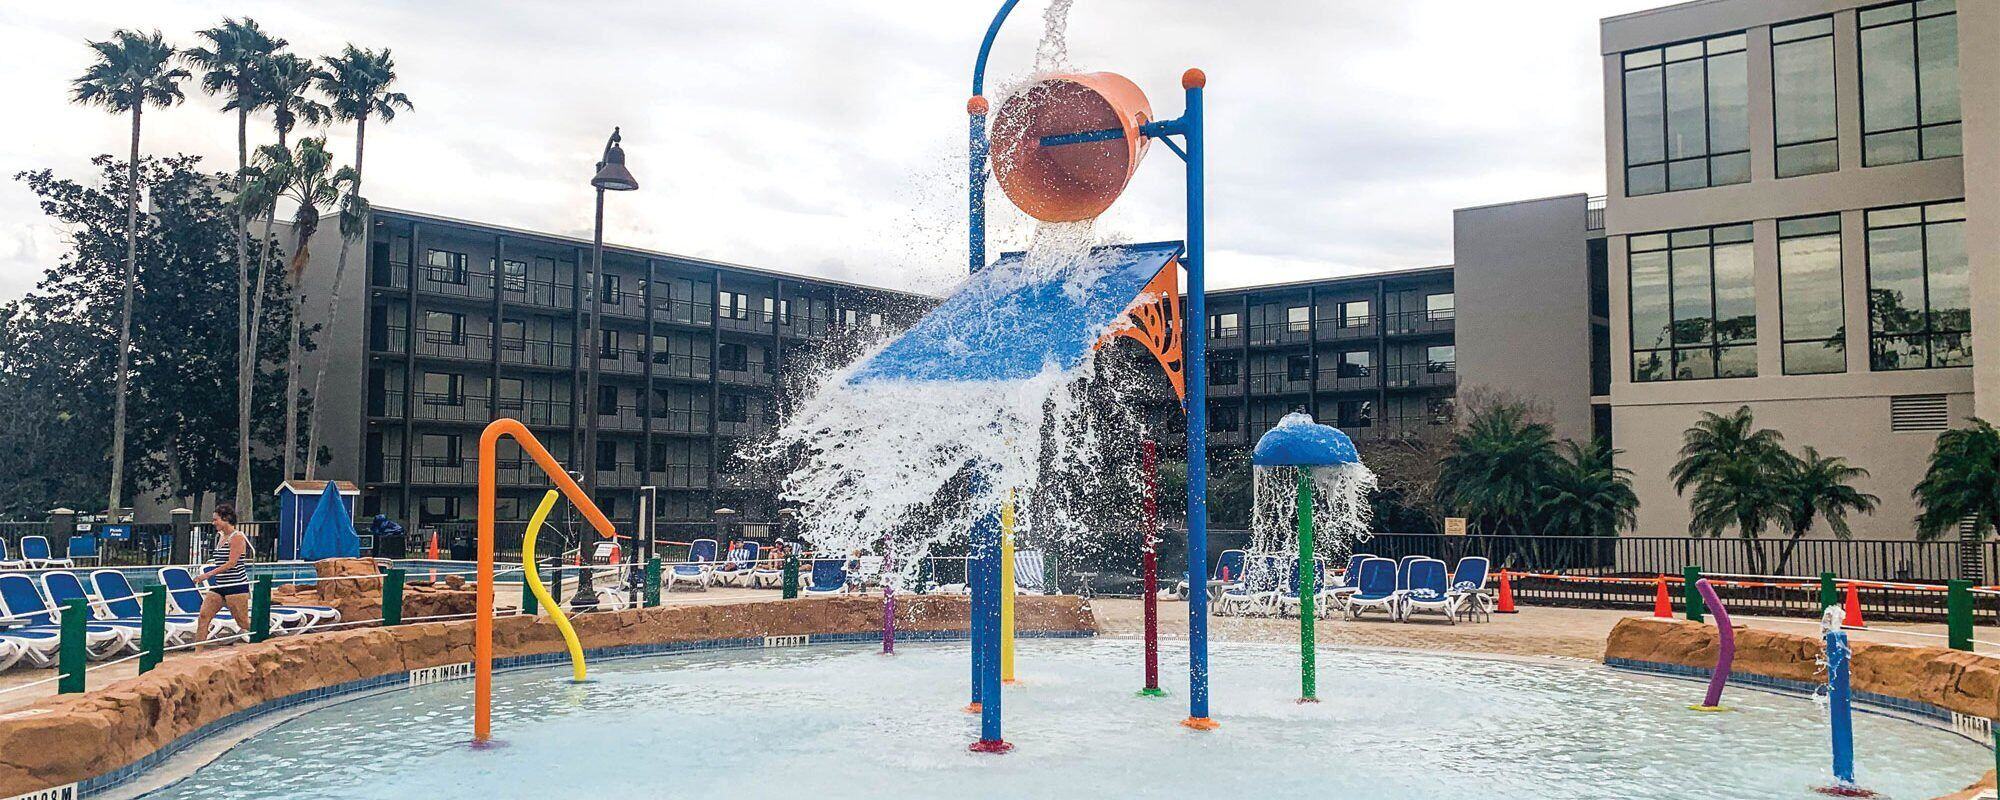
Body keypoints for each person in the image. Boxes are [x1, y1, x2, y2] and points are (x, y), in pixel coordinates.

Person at [193, 503, 254, 643]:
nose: (213, 522)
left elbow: (231, 563)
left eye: (216, 519)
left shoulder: (237, 537)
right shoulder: (219, 537)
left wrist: (207, 574)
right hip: (220, 585)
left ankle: (263, 641)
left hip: (236, 585)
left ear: (226, 518)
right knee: (203, 616)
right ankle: (198, 653)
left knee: (243, 623)